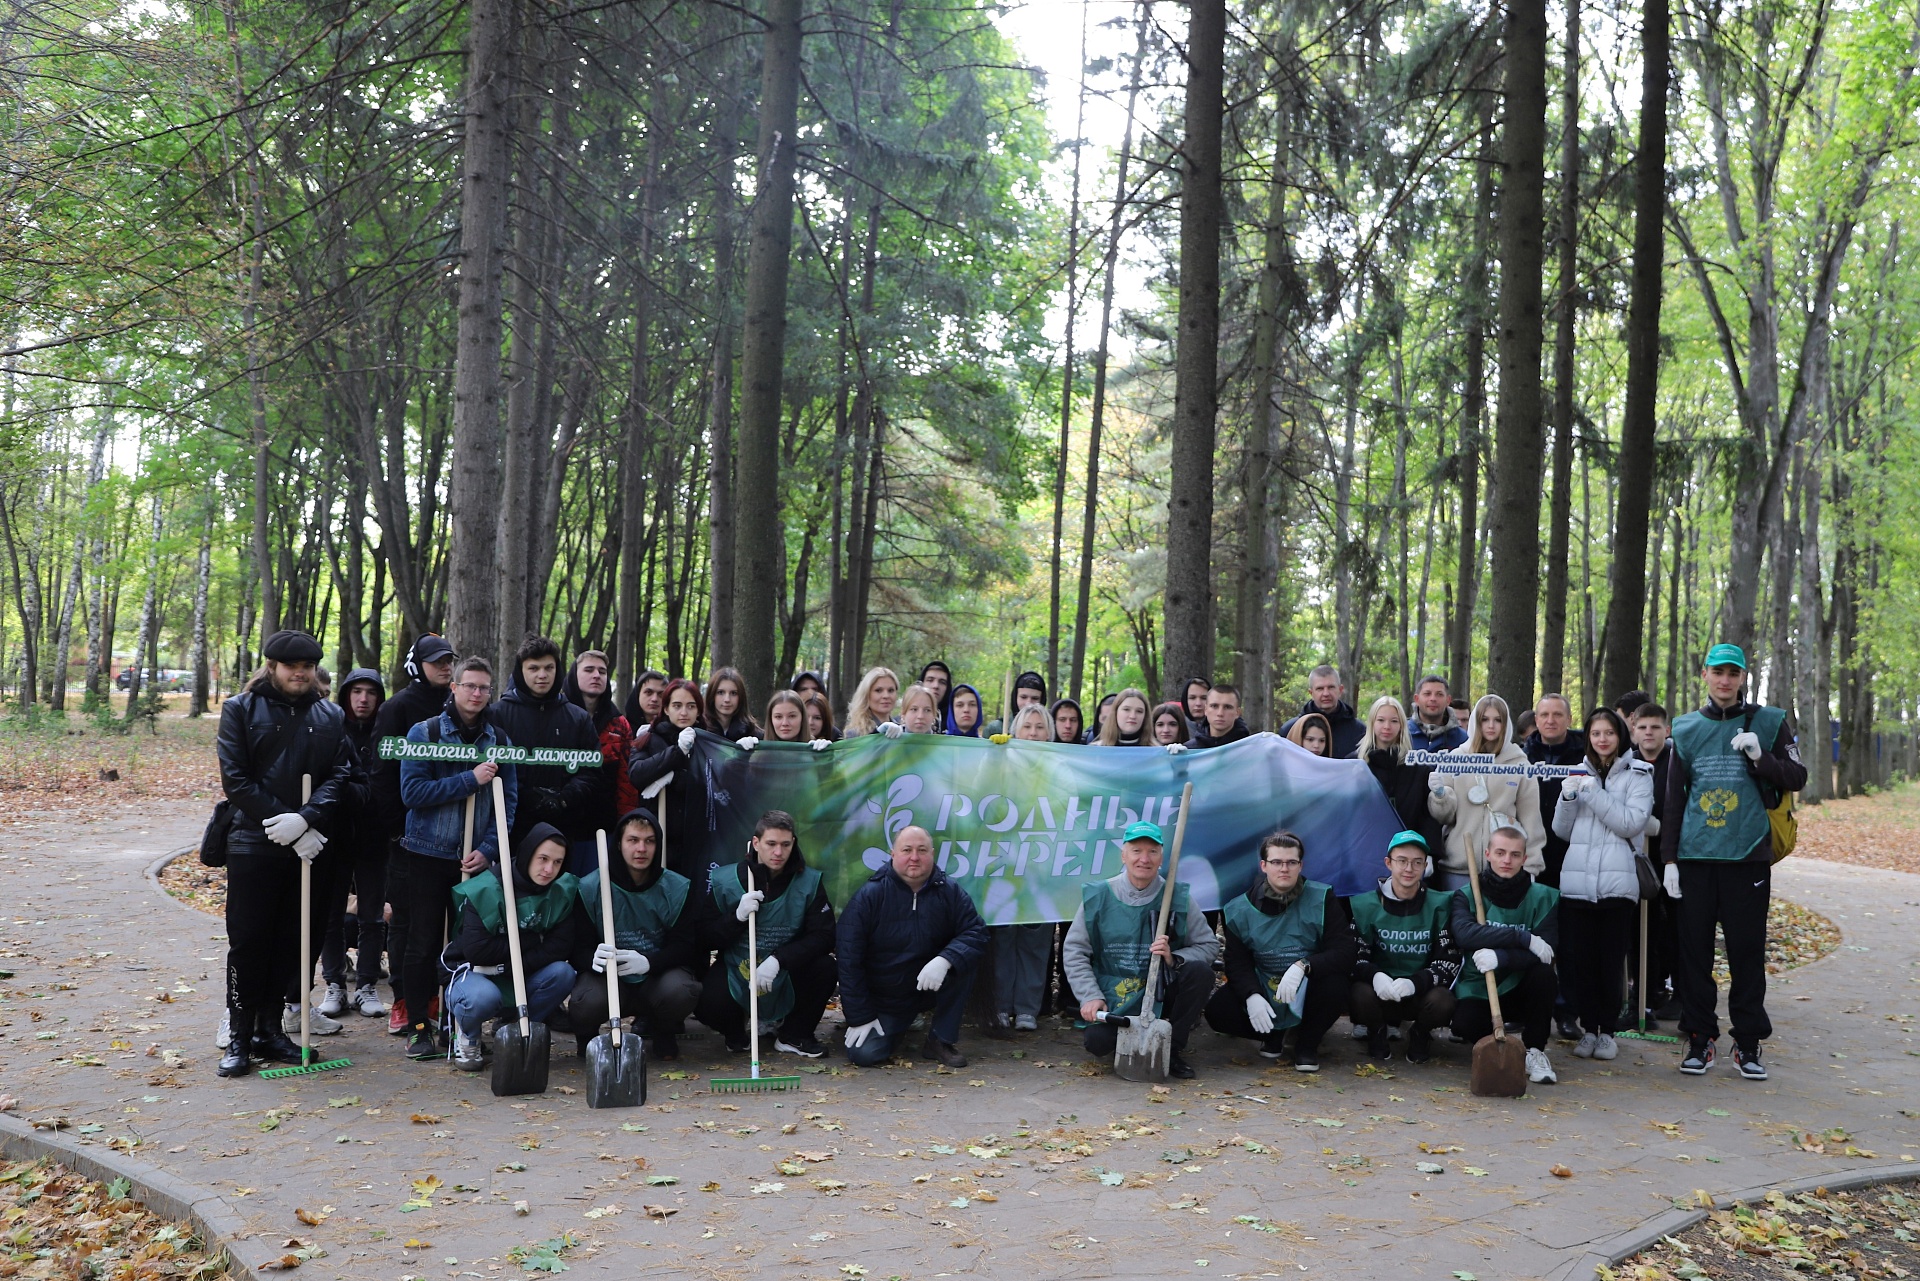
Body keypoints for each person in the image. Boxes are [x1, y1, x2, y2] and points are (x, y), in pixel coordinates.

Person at [214, 630, 355, 1077]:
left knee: (291, 944)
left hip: (310, 847)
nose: (300, 673)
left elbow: (341, 773)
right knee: (249, 942)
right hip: (253, 844)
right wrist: (289, 827)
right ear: (271, 667)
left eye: (308, 666)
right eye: (291, 665)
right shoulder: (240, 709)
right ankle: (239, 1036)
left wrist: (309, 818)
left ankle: (271, 1031)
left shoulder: (330, 715)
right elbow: (236, 780)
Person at [1662, 644, 1807, 1081]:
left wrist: (1761, 757)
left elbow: (1798, 776)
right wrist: (1669, 859)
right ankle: (1700, 1037)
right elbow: (1673, 800)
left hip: (1748, 857)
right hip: (1695, 856)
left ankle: (1748, 1043)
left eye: (1733, 673)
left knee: (1746, 953)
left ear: (1743, 677)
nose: (1725, 680)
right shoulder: (1684, 728)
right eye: (1717, 672)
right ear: (1703, 674)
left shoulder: (1771, 721)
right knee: (1693, 955)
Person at [396, 655, 518, 1061]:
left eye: (484, 687)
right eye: (470, 686)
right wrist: (470, 779)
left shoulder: (500, 742)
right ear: (454, 687)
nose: (477, 694)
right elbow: (412, 793)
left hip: (473, 861)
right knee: (423, 942)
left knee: (464, 947)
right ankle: (418, 1026)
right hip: (427, 854)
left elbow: (509, 803)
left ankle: (458, 1025)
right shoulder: (424, 732)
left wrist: (487, 850)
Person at [1063, 820, 1221, 1080]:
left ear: (1161, 858)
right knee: (1097, 1043)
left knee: (1200, 972)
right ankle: (1130, 1042)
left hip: (1161, 992)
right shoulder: (1099, 896)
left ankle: (1173, 1049)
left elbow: (1208, 946)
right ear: (1124, 855)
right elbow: (1074, 950)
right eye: (1136, 851)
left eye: (1152, 852)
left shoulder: (1177, 897)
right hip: (1115, 996)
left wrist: (1175, 957)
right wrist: (1089, 995)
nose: (1144, 859)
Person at [837, 825, 988, 1068]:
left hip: (929, 987)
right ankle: (896, 1026)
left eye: (922, 850)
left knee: (964, 960)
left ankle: (940, 1040)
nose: (915, 857)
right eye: (907, 850)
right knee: (864, 1054)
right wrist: (860, 1016)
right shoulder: (869, 896)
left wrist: (945, 959)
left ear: (933, 854)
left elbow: (976, 931)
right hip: (887, 998)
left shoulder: (949, 891)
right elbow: (848, 960)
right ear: (893, 853)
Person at [444, 822, 590, 1071]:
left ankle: (515, 1027)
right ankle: (468, 1035)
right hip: (477, 974)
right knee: (481, 998)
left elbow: (559, 948)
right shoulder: (487, 888)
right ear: (528, 853)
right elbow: (477, 950)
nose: (548, 869)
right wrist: (535, 939)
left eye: (557, 862)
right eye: (543, 858)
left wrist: (514, 963)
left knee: (563, 974)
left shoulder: (561, 891)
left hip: (522, 972)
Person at [367, 633, 456, 1036]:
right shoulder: (398, 708)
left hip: (456, 838)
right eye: (435, 661)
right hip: (407, 839)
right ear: (417, 664)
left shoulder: (459, 704)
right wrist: (396, 830)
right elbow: (382, 774)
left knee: (450, 923)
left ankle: (442, 998)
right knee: (406, 922)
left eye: (448, 660)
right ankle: (404, 1000)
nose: (443, 667)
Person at [1204, 831, 1354, 1071]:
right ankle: (1273, 1033)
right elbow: (1237, 961)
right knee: (1218, 1011)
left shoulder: (1322, 897)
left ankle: (1307, 1043)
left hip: (1308, 985)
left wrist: (1304, 966)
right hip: (1266, 984)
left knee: (1337, 984)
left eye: (1291, 862)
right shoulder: (1238, 909)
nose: (1284, 868)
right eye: (1276, 862)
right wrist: (1251, 995)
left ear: (1300, 865)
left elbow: (1345, 950)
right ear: (1264, 866)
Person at [1553, 706, 1654, 1062]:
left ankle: (1607, 1031)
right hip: (1578, 883)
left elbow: (1630, 823)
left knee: (1610, 962)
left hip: (1616, 882)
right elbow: (1562, 831)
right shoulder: (1579, 773)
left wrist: (1592, 793)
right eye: (1595, 734)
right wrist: (1567, 798)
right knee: (1580, 962)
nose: (1602, 740)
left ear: (1620, 736)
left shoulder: (1639, 774)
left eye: (1608, 733)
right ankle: (1588, 1028)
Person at [570, 807, 706, 1062]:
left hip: (656, 978)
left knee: (683, 990)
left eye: (649, 841)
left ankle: (663, 1029)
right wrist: (591, 958)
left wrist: (649, 963)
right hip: (609, 980)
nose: (641, 849)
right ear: (619, 844)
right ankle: (587, 1040)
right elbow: (576, 947)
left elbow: (686, 945)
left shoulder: (676, 888)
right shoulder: (591, 887)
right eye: (633, 840)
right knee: (584, 1001)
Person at [698, 811, 837, 1057]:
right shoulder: (726, 881)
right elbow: (704, 937)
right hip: (737, 970)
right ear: (756, 843)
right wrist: (736, 918)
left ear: (793, 843)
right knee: (706, 1001)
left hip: (786, 972)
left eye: (785, 845)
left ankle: (794, 1034)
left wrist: (779, 959)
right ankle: (736, 1034)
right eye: (771, 844)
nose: (778, 853)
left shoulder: (809, 882)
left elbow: (824, 937)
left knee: (825, 968)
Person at [1450, 821, 1562, 1085]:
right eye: (1500, 853)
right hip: (1480, 988)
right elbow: (1465, 934)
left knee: (1544, 975)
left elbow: (1545, 953)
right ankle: (1503, 1046)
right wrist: (1520, 937)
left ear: (1525, 858)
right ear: (1488, 854)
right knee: (1462, 1024)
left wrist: (1503, 957)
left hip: (1521, 987)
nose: (1507, 860)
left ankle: (1534, 1050)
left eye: (1514, 854)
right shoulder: (1465, 895)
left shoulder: (1544, 897)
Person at [489, 635, 606, 869]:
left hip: (564, 826)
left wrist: (564, 798)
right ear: (520, 670)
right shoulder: (497, 714)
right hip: (512, 826)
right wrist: (526, 797)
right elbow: (490, 767)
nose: (541, 675)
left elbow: (592, 770)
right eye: (533, 668)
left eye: (548, 668)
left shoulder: (578, 717)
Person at [1348, 831, 1457, 1063]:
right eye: (1402, 861)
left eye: (1417, 862)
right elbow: (1353, 958)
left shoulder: (1440, 904)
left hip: (1419, 994)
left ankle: (1420, 1033)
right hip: (1380, 994)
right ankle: (1376, 1031)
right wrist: (1375, 975)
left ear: (1425, 866)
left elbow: (1449, 962)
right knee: (1357, 992)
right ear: (1388, 863)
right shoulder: (1364, 904)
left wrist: (1415, 982)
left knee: (1444, 1000)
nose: (1409, 869)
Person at [319, 667, 388, 1023]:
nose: (363, 699)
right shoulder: (331, 729)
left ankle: (367, 985)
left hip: (375, 836)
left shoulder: (387, 734)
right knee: (330, 915)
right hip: (335, 835)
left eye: (371, 692)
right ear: (346, 694)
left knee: (372, 916)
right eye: (356, 691)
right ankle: (334, 984)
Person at [1427, 694, 1544, 891]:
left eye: (1498, 720)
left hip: (1505, 869)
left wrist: (1531, 867)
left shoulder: (1519, 763)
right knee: (1459, 921)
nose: (1491, 725)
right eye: (1485, 719)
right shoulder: (1455, 758)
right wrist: (1439, 795)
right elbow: (1443, 816)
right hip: (1459, 867)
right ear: (1475, 722)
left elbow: (1531, 819)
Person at [628, 678, 715, 891]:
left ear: (698, 711)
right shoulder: (647, 738)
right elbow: (637, 774)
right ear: (666, 708)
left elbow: (710, 784)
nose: (683, 712)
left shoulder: (708, 744)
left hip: (694, 839)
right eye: (677, 706)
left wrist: (673, 778)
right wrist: (676, 752)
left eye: (690, 706)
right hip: (657, 838)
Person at [1631, 702, 1680, 1022]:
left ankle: (1679, 992)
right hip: (1636, 857)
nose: (1649, 733)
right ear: (1633, 732)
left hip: (1673, 855)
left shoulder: (1678, 763)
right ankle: (1643, 992)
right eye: (1642, 727)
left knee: (1676, 925)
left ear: (1667, 730)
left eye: (1655, 727)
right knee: (1639, 927)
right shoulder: (1627, 764)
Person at [1357, 696, 1445, 859]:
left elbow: (1427, 817)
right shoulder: (1355, 765)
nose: (1387, 727)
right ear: (1372, 723)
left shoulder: (1419, 767)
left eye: (1394, 721)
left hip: (1409, 856)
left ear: (1402, 726)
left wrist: (1429, 852)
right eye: (1381, 720)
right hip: (1365, 853)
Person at [1522, 693, 1587, 890]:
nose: (1550, 721)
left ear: (1569, 719)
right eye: (1544, 715)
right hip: (1531, 849)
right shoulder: (1521, 757)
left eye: (1558, 715)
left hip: (1575, 848)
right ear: (1536, 720)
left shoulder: (1587, 756)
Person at [564, 650, 639, 819]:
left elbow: (626, 778)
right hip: (561, 821)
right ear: (574, 674)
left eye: (602, 671)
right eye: (589, 670)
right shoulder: (556, 716)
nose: (596, 675)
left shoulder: (619, 723)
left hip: (605, 822)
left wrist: (626, 819)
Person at [1280, 665, 1364, 758]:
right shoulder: (1290, 731)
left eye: (1331, 687)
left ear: (1340, 690)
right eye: (1320, 689)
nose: (1326, 693)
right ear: (1311, 693)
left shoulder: (1359, 732)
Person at [1171, 683, 1250, 753]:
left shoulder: (1250, 749)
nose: (1220, 713)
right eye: (1214, 706)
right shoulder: (1190, 750)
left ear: (1238, 713)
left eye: (1227, 707)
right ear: (1206, 709)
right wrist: (1177, 763)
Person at [1409, 675, 1468, 753]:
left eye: (1439, 694)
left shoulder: (1462, 739)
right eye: (1427, 694)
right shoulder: (1401, 734)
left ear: (1448, 700)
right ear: (1417, 699)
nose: (1433, 699)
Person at [703, 666, 760, 741]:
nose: (727, 699)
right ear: (712, 695)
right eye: (721, 692)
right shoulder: (700, 729)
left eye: (733, 693)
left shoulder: (753, 733)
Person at [843, 666, 900, 737]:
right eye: (878, 690)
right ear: (866, 694)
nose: (886, 696)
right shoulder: (856, 733)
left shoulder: (902, 730)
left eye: (890, 690)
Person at [621, 669, 668, 748]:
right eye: (648, 692)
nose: (654, 699)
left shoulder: (672, 731)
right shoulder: (622, 729)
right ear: (638, 694)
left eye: (661, 694)